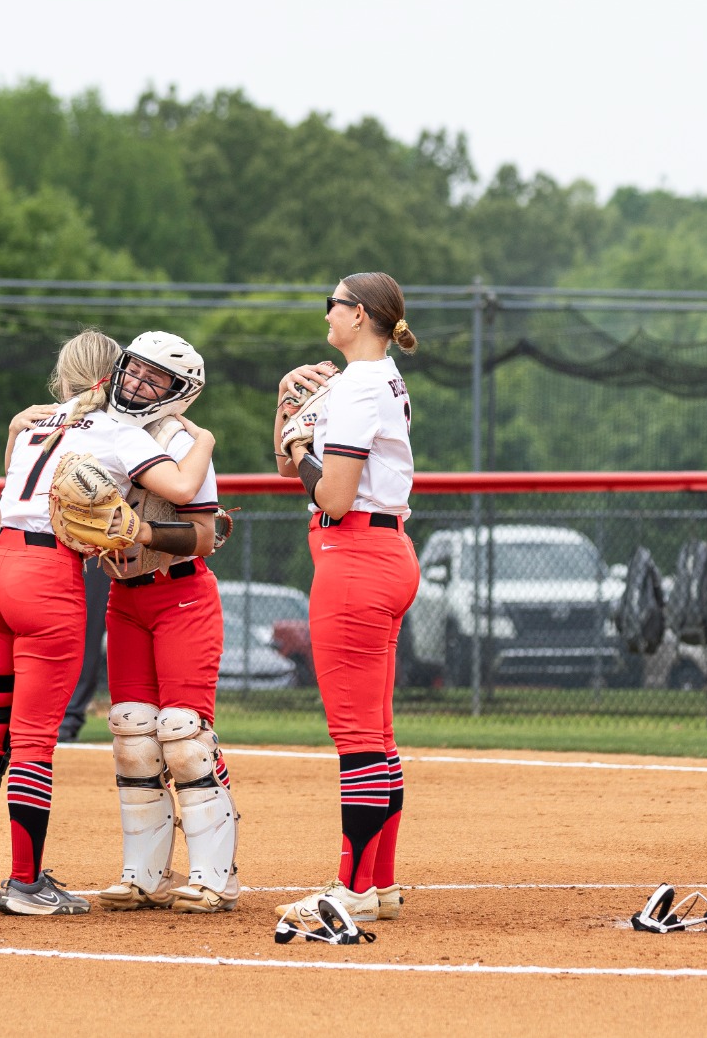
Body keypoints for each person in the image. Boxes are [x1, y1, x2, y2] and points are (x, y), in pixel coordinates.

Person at [0, 329, 214, 916]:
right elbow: (183, 487)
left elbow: (10, 481)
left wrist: (13, 427)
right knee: (33, 741)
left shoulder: (37, 422)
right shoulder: (119, 431)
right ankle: (28, 884)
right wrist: (204, 437)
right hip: (45, 576)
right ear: (112, 379)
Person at [273, 272, 420, 924]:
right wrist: (289, 417)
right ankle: (379, 883)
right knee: (378, 736)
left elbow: (329, 492)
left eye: (331, 303)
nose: (324, 313)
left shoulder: (359, 382)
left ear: (357, 314)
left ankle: (353, 887)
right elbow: (290, 466)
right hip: (384, 551)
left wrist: (301, 446)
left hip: (355, 554)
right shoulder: (373, 374)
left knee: (358, 738)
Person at [91, 332, 238, 913]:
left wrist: (144, 534)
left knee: (183, 736)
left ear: (182, 394)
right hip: (125, 596)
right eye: (135, 371)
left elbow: (207, 535)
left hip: (179, 593)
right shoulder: (100, 428)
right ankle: (145, 872)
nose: (137, 384)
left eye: (157, 380)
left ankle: (215, 876)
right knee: (132, 734)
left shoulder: (179, 441)